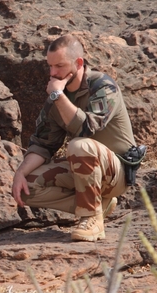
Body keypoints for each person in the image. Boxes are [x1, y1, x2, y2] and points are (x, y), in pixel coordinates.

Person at [11, 34, 136, 242]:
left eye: (59, 66)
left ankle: (91, 219)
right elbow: (43, 144)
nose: (53, 73)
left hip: (116, 172)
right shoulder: (56, 97)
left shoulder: (103, 86)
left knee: (79, 145)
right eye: (50, 66)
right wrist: (20, 173)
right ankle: (97, 205)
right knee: (27, 188)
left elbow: (87, 128)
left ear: (78, 63)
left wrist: (58, 96)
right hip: (85, 171)